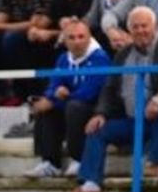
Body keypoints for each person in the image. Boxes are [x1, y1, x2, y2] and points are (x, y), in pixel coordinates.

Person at [75, 6, 158, 192]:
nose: (140, 31)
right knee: (96, 129)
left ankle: (153, 162)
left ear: (155, 27)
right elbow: (109, 88)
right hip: (134, 120)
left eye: (144, 26)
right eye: (135, 27)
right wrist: (101, 113)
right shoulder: (122, 55)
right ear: (129, 30)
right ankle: (91, 182)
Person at [26, 18, 108, 179]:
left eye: (81, 36)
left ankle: (78, 159)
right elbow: (54, 84)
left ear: (89, 37)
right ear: (65, 40)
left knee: (73, 106)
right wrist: (51, 96)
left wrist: (58, 98)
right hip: (71, 105)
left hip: (95, 109)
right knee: (46, 107)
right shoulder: (64, 59)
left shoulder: (100, 58)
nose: (77, 41)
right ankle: (50, 163)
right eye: (71, 37)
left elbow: (89, 92)